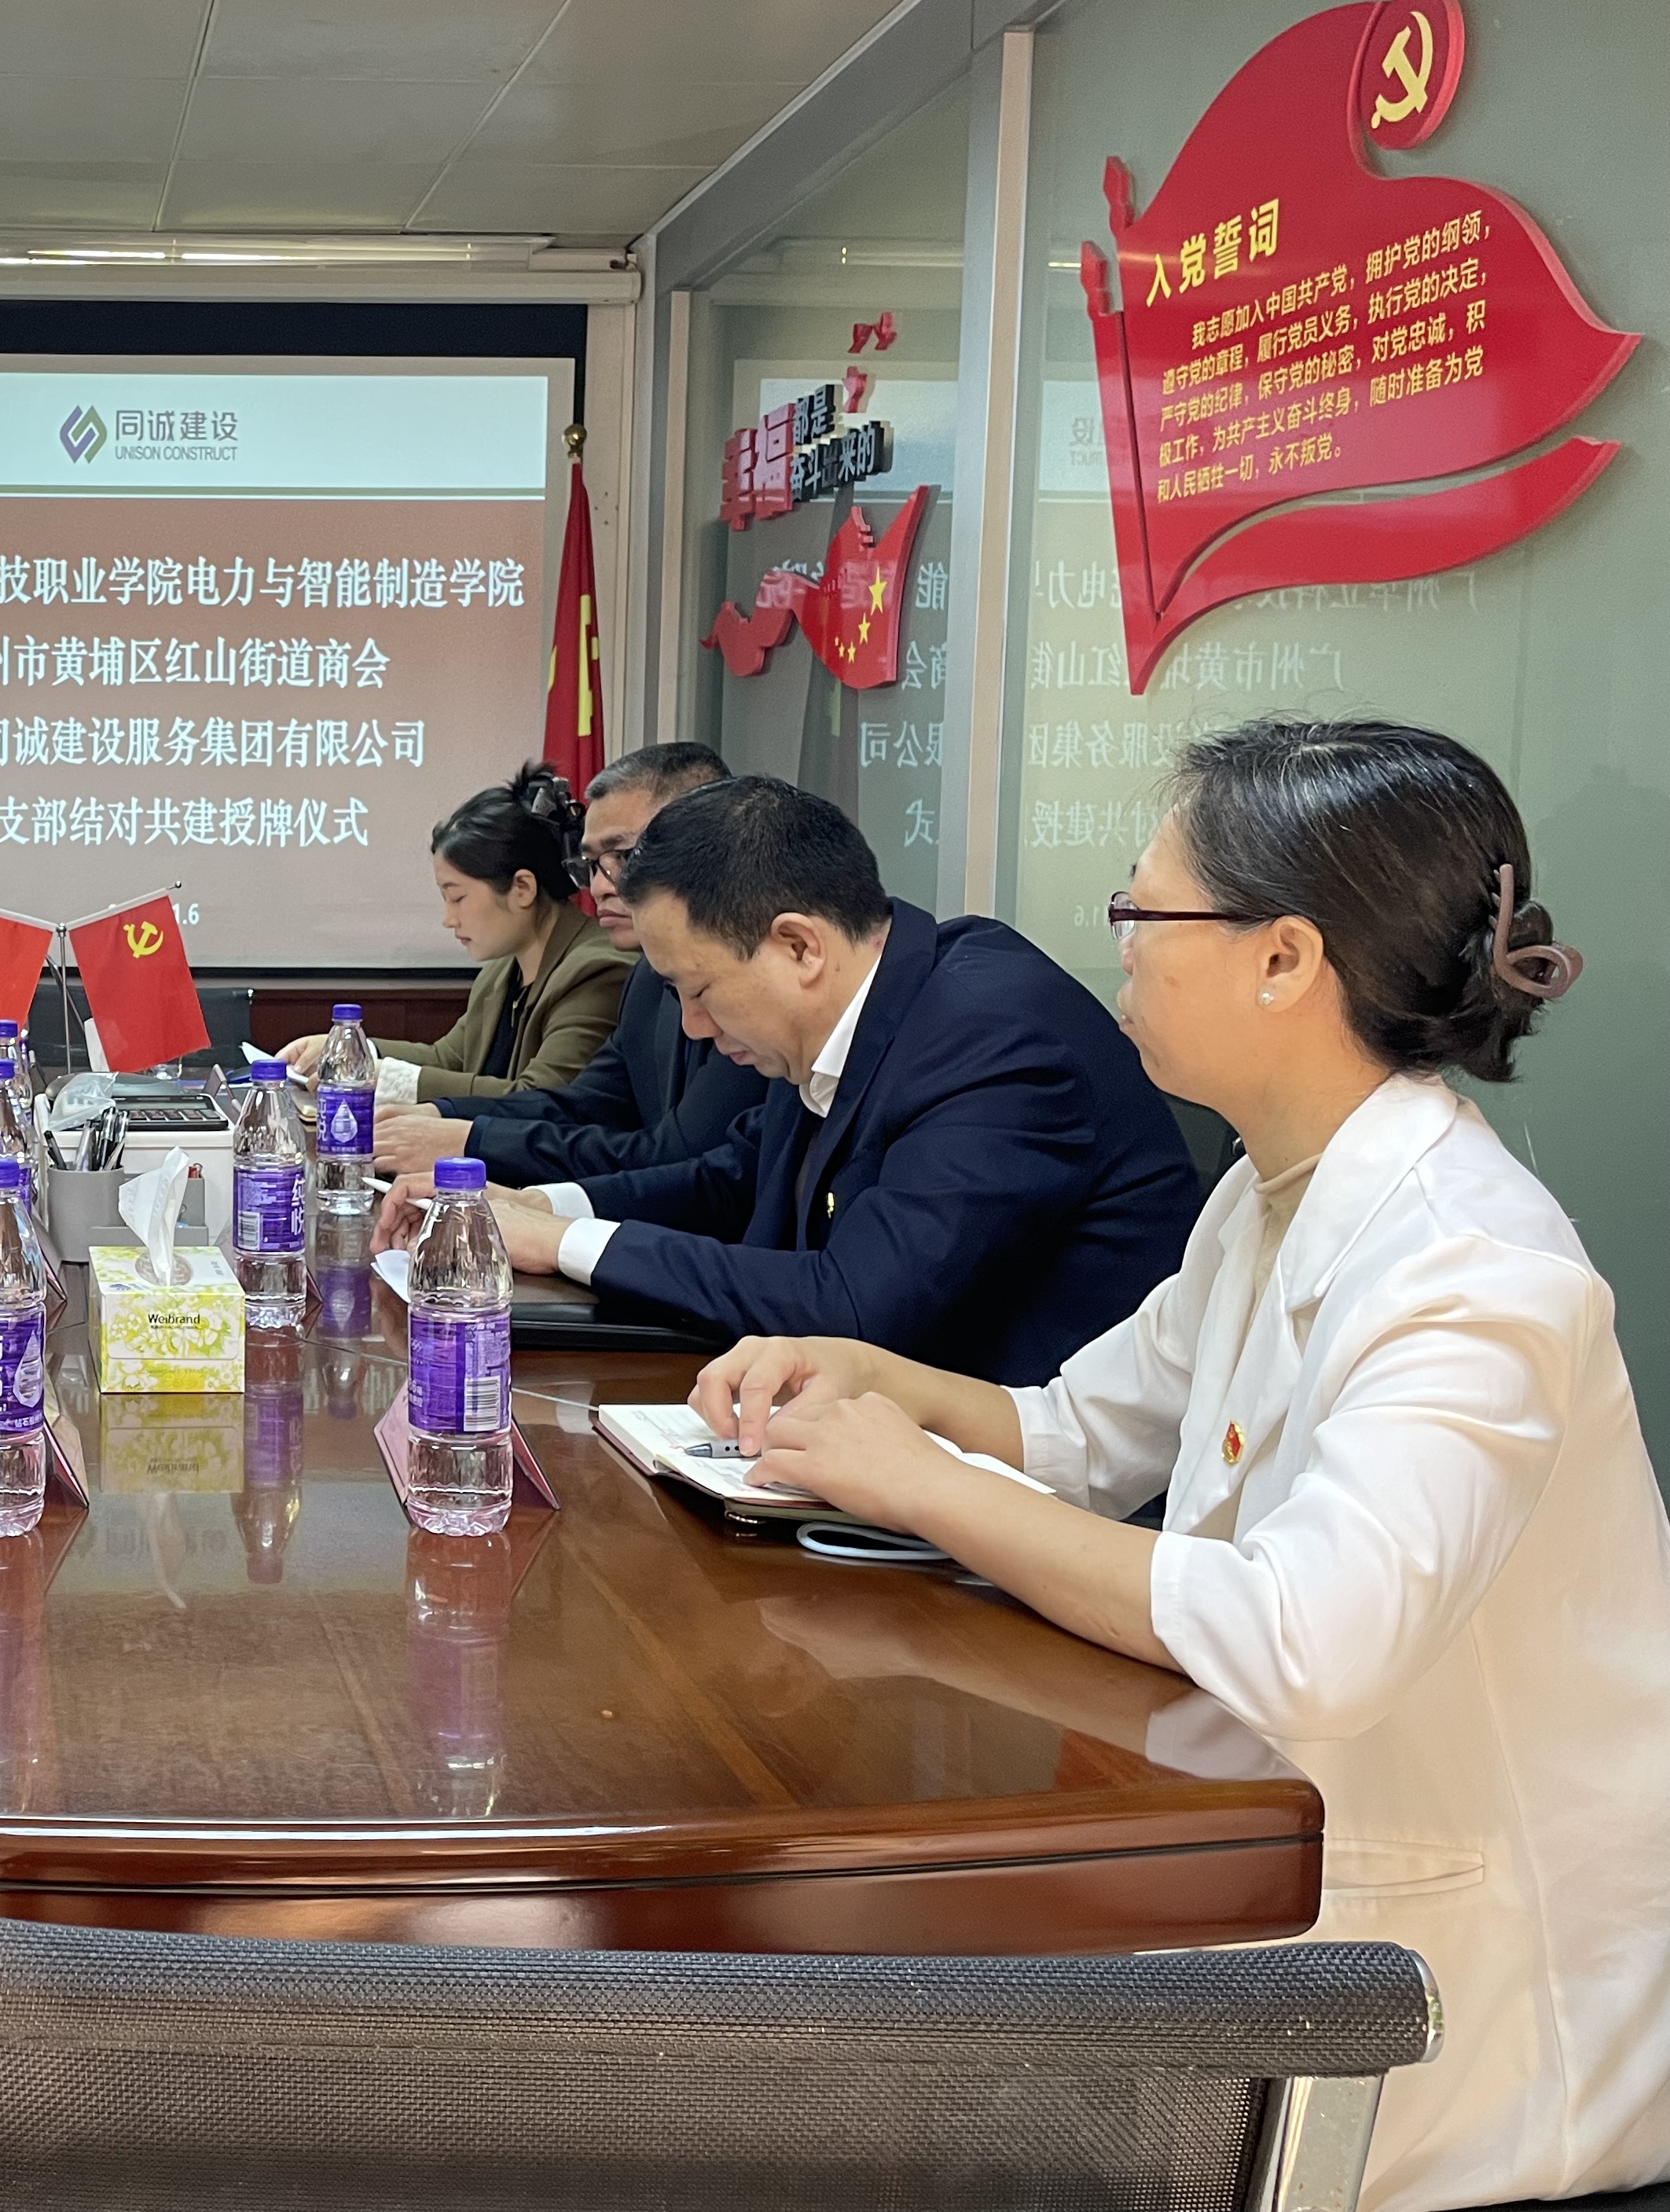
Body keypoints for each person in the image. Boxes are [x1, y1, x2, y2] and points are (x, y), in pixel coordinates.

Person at [690, 720, 1670, 2212]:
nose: (1123, 949)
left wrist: (921, 1479)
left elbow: (1308, 1636)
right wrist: (876, 1383)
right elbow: (1082, 1432)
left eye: (1142, 908)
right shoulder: (1267, 1194)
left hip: (1472, 2028)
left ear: (1283, 959)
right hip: (1268, 1888)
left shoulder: (1472, 1269)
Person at [382, 774, 1199, 1384]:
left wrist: (562, 1244)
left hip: (1033, 1498)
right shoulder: (857, 1005)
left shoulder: (992, 1037)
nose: (693, 1027)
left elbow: (855, 1306)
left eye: (699, 991)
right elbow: (731, 1179)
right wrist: (542, 1207)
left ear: (798, 946)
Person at [374, 740, 760, 1181]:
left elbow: (677, 1160)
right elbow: (580, 1104)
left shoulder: (739, 985)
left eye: (624, 858)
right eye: (593, 864)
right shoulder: (645, 980)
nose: (599, 888)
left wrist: (470, 1141)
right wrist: (444, 1116)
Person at [273, 762, 626, 1104]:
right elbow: (447, 1059)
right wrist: (352, 1050)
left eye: (457, 898)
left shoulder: (595, 971)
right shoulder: (501, 973)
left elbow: (540, 1099)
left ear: (522, 888)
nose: (448, 919)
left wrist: (384, 1078)